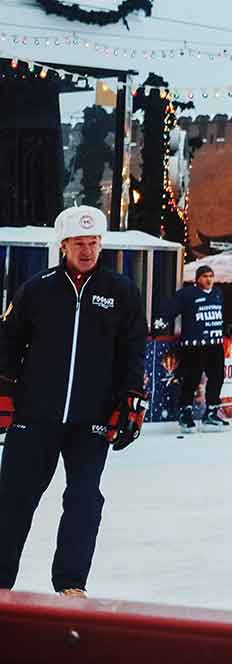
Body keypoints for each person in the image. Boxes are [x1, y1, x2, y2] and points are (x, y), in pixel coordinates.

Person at [0, 205, 147, 597]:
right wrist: (4, 391)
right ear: (63, 245)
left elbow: (133, 351)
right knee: (14, 499)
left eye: (94, 243)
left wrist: (131, 399)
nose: (87, 250)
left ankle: (70, 583)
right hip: (35, 415)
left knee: (84, 499)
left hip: (91, 418)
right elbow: (8, 344)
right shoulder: (38, 288)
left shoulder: (121, 292)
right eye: (79, 243)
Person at [167, 265, 228, 432]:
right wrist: (160, 325)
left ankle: (211, 413)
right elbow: (169, 310)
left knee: (217, 376)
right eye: (205, 276)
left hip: (215, 344)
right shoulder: (187, 294)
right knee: (191, 378)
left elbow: (221, 313)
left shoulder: (217, 293)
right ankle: (185, 413)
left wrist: (225, 327)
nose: (208, 279)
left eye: (211, 276)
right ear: (197, 279)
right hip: (194, 346)